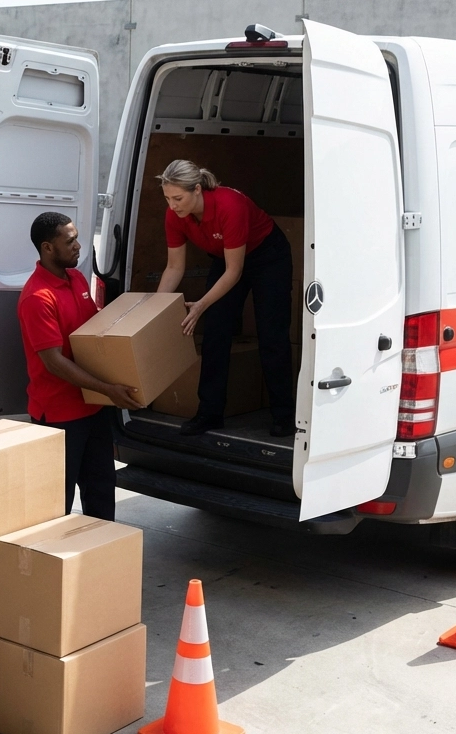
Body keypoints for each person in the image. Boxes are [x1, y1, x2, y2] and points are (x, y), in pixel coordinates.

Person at [17, 212, 142, 521]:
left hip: (92, 407)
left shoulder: (75, 278)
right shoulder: (37, 297)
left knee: (101, 487)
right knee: (56, 502)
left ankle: (101, 554)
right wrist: (108, 389)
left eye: (77, 238)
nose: (78, 246)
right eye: (69, 240)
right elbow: (54, 362)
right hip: (60, 414)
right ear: (48, 248)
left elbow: (92, 334)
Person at [156, 159, 294, 438]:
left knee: (272, 334)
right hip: (226, 257)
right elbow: (174, 267)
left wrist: (200, 306)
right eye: (168, 198)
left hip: (267, 256)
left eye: (178, 198)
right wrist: (155, 309)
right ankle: (209, 413)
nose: (173, 206)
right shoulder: (174, 215)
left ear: (197, 189)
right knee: (216, 333)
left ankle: (284, 415)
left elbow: (235, 272)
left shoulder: (230, 205)